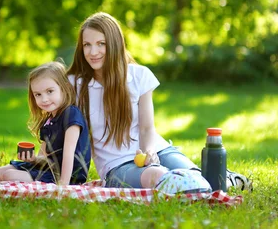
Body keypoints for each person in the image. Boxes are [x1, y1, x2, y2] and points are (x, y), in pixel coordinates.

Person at [66, 11, 252, 190]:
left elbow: (147, 128)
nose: (93, 51)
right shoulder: (75, 83)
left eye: (101, 44)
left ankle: (226, 179)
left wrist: (149, 152)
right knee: (159, 176)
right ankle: (208, 181)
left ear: (114, 44)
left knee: (200, 179)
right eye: (87, 45)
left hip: (158, 151)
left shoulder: (139, 76)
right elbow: (60, 125)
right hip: (118, 165)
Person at [0, 61, 91, 186]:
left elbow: (69, 154)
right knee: (0, 172)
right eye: (38, 94)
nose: (44, 99)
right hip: (49, 169)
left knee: (9, 176)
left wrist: (63, 184)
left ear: (64, 88)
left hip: (66, 175)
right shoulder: (49, 120)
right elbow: (45, 158)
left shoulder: (70, 114)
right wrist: (34, 159)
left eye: (50, 91)